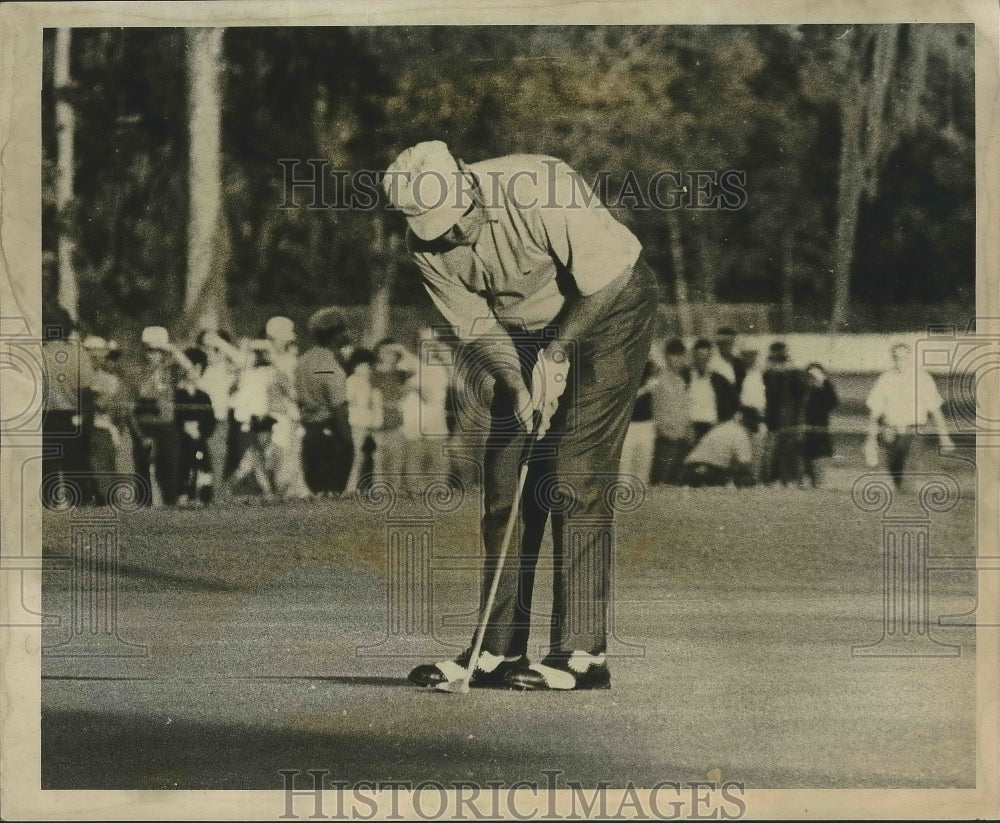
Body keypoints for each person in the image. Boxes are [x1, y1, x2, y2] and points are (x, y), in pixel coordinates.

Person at [384, 140, 657, 690]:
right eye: (437, 231)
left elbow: (612, 279)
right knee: (506, 479)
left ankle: (581, 655)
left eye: (456, 222)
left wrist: (557, 355)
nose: (452, 236)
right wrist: (519, 383)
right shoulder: (426, 244)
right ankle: (498, 649)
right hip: (520, 335)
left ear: (468, 180)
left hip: (608, 311)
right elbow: (479, 327)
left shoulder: (537, 187)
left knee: (574, 475)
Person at [865, 342, 955, 488]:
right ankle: (901, 498)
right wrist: (871, 438)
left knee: (909, 471)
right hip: (891, 433)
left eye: (904, 357)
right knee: (895, 472)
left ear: (910, 358)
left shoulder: (923, 378)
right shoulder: (885, 379)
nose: (901, 361)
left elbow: (936, 410)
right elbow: (875, 411)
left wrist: (945, 437)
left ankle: (907, 498)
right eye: (897, 357)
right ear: (892, 359)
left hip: (915, 432)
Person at [295, 308, 353, 497]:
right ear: (336, 335)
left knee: (316, 491)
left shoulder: (303, 361)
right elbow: (339, 407)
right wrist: (348, 440)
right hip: (330, 432)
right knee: (334, 492)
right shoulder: (330, 366)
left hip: (309, 432)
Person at [42, 306, 95, 507]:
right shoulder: (78, 355)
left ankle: (49, 503)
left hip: (46, 417)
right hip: (73, 416)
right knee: (75, 460)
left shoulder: (39, 354)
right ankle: (79, 502)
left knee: (48, 464)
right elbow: (86, 391)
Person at [174, 347, 217, 505]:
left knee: (202, 464)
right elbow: (175, 418)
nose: (194, 372)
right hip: (182, 440)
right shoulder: (178, 394)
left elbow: (210, 419)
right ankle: (183, 494)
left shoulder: (203, 396)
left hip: (199, 438)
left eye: (199, 368)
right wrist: (185, 427)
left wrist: (200, 431)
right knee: (184, 465)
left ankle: (202, 496)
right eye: (192, 367)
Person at [761, 341, 806, 486]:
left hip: (787, 416)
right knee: (772, 449)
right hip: (773, 416)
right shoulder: (767, 373)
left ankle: (786, 478)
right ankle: (770, 478)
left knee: (787, 448)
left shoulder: (792, 373)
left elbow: (800, 395)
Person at [369, 339, 415, 480]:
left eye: (391, 352)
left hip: (396, 426)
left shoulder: (399, 374)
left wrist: (401, 348)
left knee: (395, 469)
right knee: (378, 470)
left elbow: (416, 368)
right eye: (384, 351)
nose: (388, 355)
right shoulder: (372, 373)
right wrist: (389, 404)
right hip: (376, 428)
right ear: (378, 353)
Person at [682, 406, 760, 488]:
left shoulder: (722, 427)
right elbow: (745, 463)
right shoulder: (741, 432)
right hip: (710, 472)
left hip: (689, 469)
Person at [651, 337, 693, 485]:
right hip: (665, 437)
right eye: (674, 355)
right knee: (661, 479)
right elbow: (655, 408)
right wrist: (662, 429)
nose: (677, 360)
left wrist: (687, 429)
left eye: (681, 356)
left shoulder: (681, 381)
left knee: (676, 480)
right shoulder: (658, 379)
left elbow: (684, 407)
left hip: (681, 436)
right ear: (667, 356)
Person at [683, 338, 739, 444]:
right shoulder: (685, 377)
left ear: (710, 357)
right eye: (699, 356)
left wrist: (721, 421)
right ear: (694, 356)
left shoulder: (719, 379)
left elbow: (734, 403)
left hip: (712, 428)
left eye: (705, 356)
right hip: (689, 429)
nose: (702, 360)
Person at [343, 347, 380, 497]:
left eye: (367, 365)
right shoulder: (351, 381)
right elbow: (349, 401)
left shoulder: (370, 382)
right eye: (361, 365)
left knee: (371, 456)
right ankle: (350, 487)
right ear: (354, 366)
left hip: (369, 422)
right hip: (356, 422)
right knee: (357, 456)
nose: (364, 369)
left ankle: (370, 486)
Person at [619, 357, 657, 485]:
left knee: (644, 467)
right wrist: (645, 389)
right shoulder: (624, 365)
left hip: (647, 425)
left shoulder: (649, 364)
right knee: (625, 468)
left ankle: (640, 498)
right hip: (628, 426)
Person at [801, 362, 839, 488]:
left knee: (818, 458)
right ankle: (806, 483)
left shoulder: (824, 389)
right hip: (804, 430)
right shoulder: (804, 390)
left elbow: (833, 402)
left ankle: (818, 483)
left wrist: (823, 382)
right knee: (804, 458)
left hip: (819, 429)